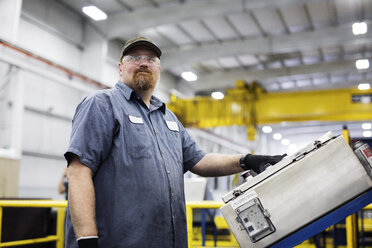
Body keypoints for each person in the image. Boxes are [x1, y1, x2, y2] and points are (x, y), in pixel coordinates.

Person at [64, 36, 285, 248]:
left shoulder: (167, 118)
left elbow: (200, 161)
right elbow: (78, 171)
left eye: (151, 60)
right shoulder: (102, 105)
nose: (143, 63)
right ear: (120, 68)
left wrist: (247, 160)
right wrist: (87, 240)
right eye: (134, 58)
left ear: (159, 70)